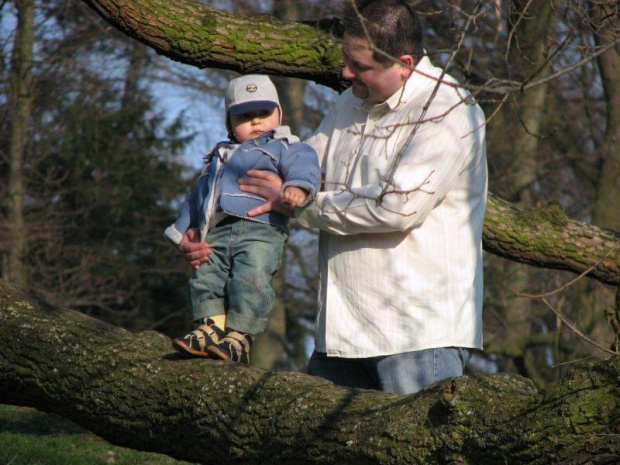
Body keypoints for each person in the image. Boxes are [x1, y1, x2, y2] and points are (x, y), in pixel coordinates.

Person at [182, 0, 488, 395]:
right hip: (340, 334)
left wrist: (297, 203)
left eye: (359, 67)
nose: (345, 73)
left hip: (416, 334)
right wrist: (205, 229)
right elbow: (288, 172)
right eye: (346, 59)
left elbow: (396, 206)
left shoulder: (449, 112)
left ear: (405, 64)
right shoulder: (350, 103)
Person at [165, 74, 320, 364]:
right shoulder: (219, 157)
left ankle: (240, 336)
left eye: (264, 113)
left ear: (279, 114)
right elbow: (198, 195)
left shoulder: (285, 145)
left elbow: (305, 164)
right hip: (218, 230)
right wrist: (181, 230)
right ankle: (209, 327)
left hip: (261, 229)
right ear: (229, 123)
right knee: (206, 274)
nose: (257, 121)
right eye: (245, 116)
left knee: (250, 277)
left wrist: (297, 187)